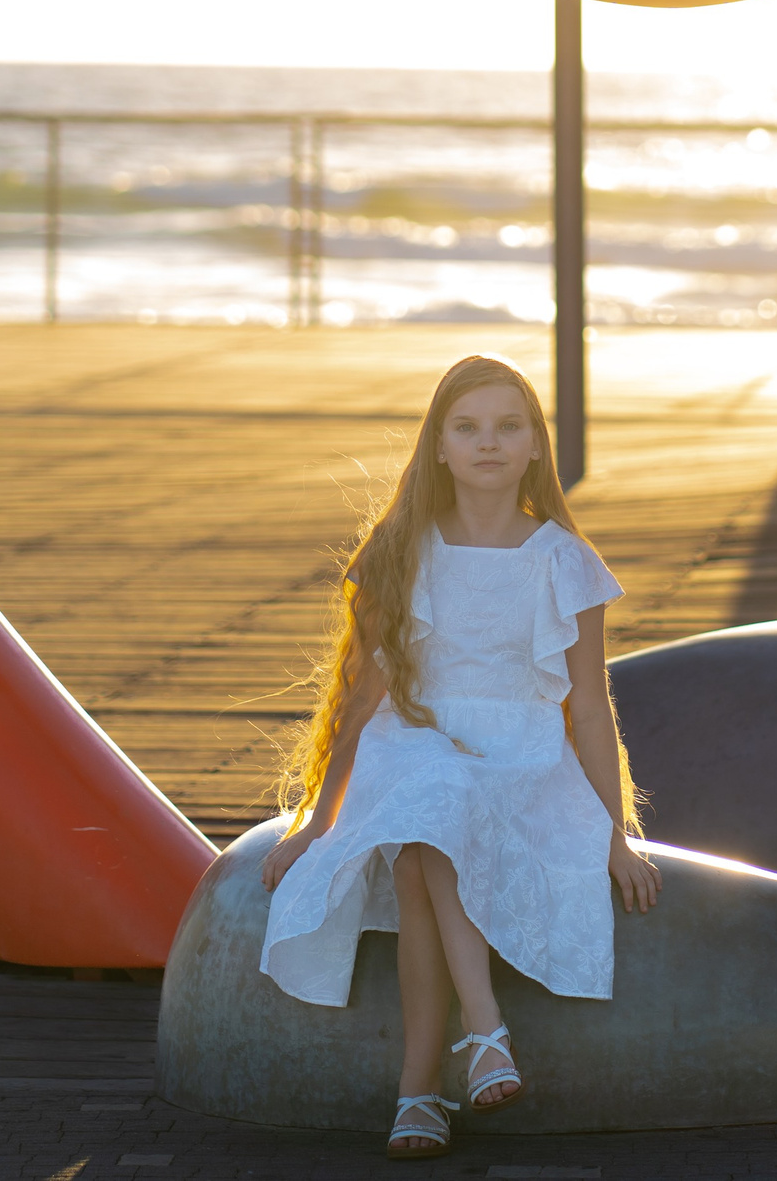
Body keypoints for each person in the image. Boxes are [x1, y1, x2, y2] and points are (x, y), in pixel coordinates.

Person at [257, 354, 662, 1161]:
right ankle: (484, 1031)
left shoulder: (562, 560)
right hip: (413, 740)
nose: (489, 442)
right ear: (437, 445)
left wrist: (615, 832)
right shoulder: (405, 552)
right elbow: (361, 699)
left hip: (521, 755)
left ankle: (419, 1092)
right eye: (468, 426)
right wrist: (313, 821)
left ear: (536, 446)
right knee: (433, 796)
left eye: (509, 426)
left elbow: (589, 707)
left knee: (419, 857)